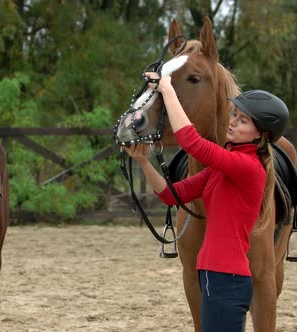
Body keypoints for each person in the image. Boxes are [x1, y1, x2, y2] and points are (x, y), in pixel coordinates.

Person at [123, 72, 288, 331]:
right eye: (234, 115)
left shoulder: (247, 166)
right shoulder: (221, 169)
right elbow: (171, 195)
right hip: (212, 278)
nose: (233, 122)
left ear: (261, 135)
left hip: (228, 282)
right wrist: (143, 161)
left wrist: (167, 90)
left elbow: (192, 142)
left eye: (243, 120)